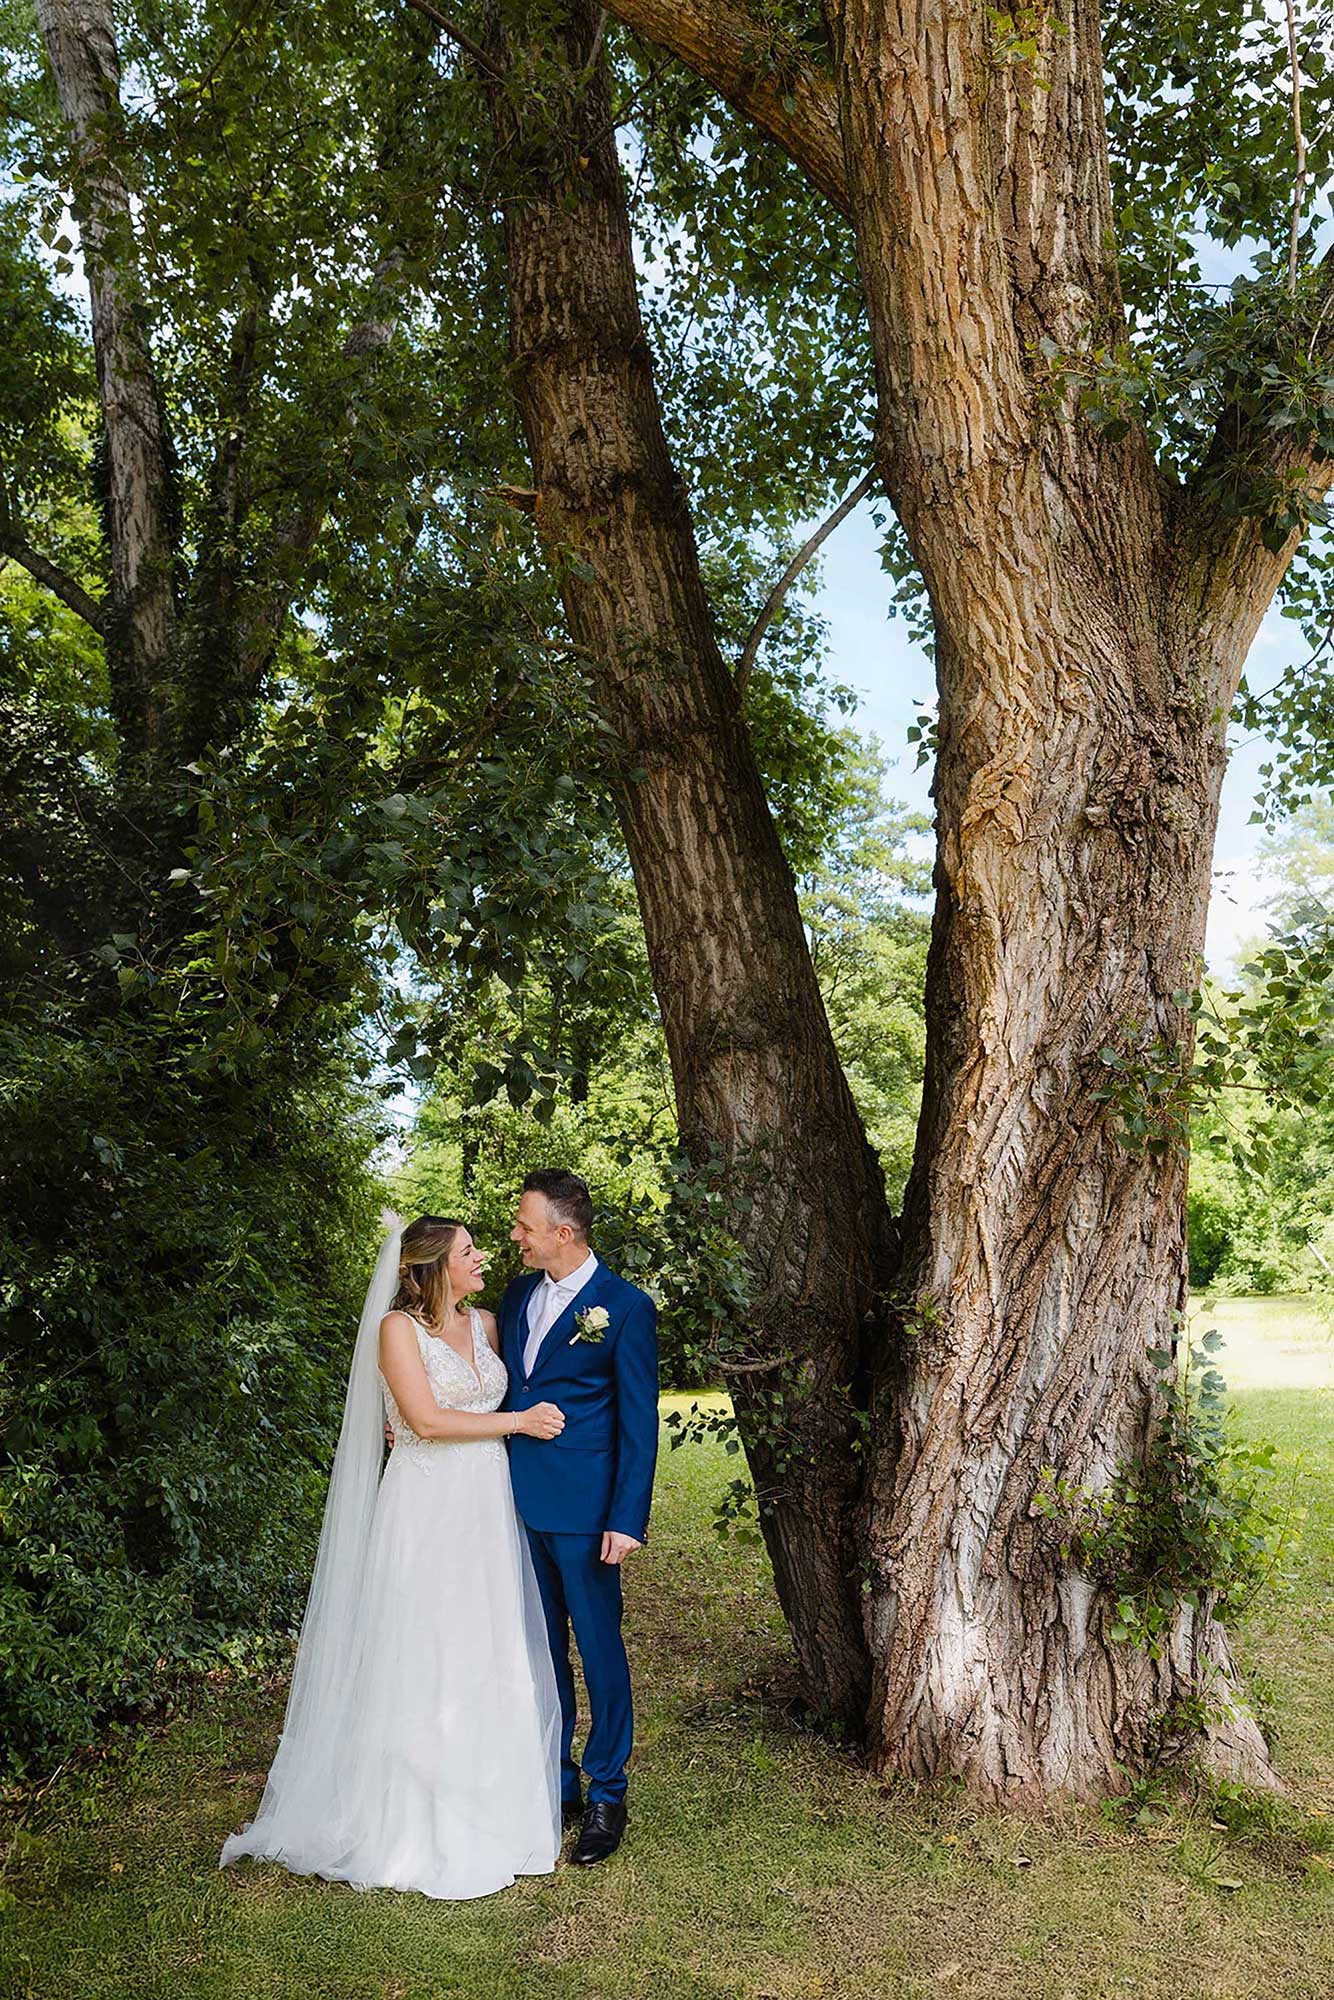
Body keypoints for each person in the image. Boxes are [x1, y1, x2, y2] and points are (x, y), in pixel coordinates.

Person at [219, 1212, 566, 1901]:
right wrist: (519, 1423)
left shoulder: (487, 1324)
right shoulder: (396, 1331)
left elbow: (496, 1391)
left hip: (487, 1503)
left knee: (487, 1641)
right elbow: (427, 1421)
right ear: (434, 1266)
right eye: (469, 1250)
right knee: (426, 1643)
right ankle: (411, 1812)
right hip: (427, 1504)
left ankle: (496, 1804)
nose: (483, 1257)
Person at [501, 1168, 659, 1867]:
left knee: (598, 1649)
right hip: (514, 1505)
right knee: (540, 1650)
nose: (516, 1237)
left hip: (589, 1513)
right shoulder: (515, 1296)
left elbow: (639, 1424)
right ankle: (557, 1780)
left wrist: (626, 1517)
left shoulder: (624, 1307)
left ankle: (607, 1793)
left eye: (525, 1226)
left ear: (562, 1233)